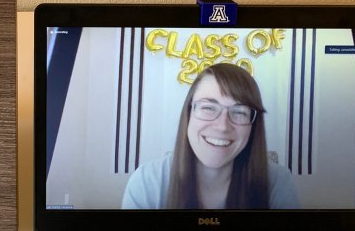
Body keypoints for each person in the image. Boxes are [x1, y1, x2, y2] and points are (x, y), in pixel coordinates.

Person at [122, 63, 300, 209]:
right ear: (188, 114)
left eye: (239, 112)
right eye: (208, 108)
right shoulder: (146, 183)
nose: (222, 126)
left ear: (253, 126)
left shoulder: (278, 183)